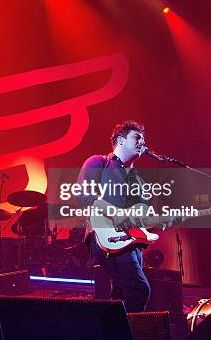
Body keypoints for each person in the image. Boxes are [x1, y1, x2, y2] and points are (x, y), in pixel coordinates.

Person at [77, 120, 151, 312]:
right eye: (137, 137)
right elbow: (84, 194)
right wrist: (116, 214)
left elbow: (143, 217)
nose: (142, 142)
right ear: (120, 140)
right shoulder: (99, 162)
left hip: (133, 242)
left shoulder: (139, 181)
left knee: (120, 296)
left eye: (143, 139)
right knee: (139, 289)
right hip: (105, 235)